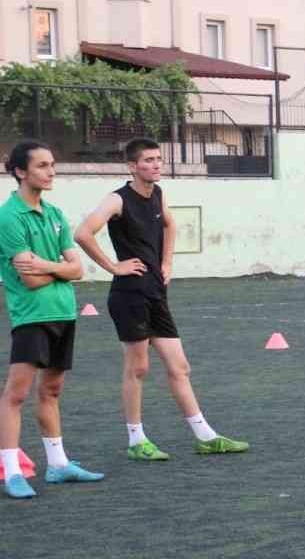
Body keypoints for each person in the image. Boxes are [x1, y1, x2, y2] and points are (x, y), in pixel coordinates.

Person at [73, 138, 249, 460]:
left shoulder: (158, 194)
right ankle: (136, 441)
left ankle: (205, 436)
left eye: (159, 159)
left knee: (180, 367)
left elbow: (170, 223)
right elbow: (83, 233)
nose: (157, 165)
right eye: (149, 160)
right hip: (129, 296)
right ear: (132, 166)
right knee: (138, 368)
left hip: (155, 292)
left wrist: (167, 262)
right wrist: (114, 266)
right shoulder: (117, 200)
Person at [0, 141, 103, 499]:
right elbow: (29, 279)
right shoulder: (8, 217)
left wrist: (47, 266)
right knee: (16, 393)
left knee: (52, 390)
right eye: (43, 166)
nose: (51, 171)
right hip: (32, 315)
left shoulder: (55, 213)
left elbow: (78, 269)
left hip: (64, 311)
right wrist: (58, 269)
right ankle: (12, 473)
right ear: (20, 172)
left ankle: (58, 465)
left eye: (53, 165)